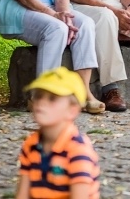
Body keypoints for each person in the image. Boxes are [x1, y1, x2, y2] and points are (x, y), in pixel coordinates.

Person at [17, 67, 100, 199]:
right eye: (38, 96)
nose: (41, 103)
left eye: (52, 99)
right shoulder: (31, 144)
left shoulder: (78, 150)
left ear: (72, 110)